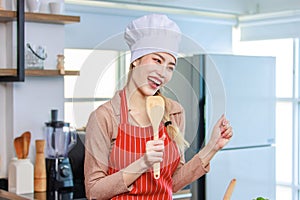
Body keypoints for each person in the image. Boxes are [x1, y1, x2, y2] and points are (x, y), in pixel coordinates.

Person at [84, 14, 233, 200]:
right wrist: (142, 163)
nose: (163, 73)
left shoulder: (174, 112)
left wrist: (212, 147)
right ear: (135, 60)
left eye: (170, 67)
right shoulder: (104, 117)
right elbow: (94, 191)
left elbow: (174, 182)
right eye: (157, 60)